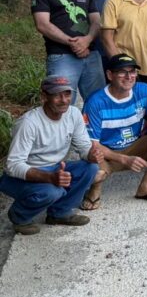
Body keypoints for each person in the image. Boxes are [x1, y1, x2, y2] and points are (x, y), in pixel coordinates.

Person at [1, 76, 99, 235]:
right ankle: (19, 216)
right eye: (57, 95)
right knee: (53, 191)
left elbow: (83, 147)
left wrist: (91, 154)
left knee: (90, 167)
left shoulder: (73, 114)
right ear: (44, 97)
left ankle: (59, 213)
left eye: (67, 94)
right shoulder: (29, 123)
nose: (64, 100)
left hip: (54, 168)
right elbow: (12, 165)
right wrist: (49, 178)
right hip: (19, 177)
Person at [81, 54, 147, 208]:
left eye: (132, 71)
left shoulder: (143, 90)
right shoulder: (95, 102)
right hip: (107, 154)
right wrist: (124, 159)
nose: (129, 76)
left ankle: (145, 186)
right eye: (122, 72)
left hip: (133, 147)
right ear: (109, 75)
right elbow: (93, 145)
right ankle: (95, 189)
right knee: (96, 174)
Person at [31, 0, 103, 102]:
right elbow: (42, 24)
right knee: (62, 104)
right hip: (61, 56)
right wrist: (73, 43)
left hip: (91, 55)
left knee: (98, 103)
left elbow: (96, 21)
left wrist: (87, 40)